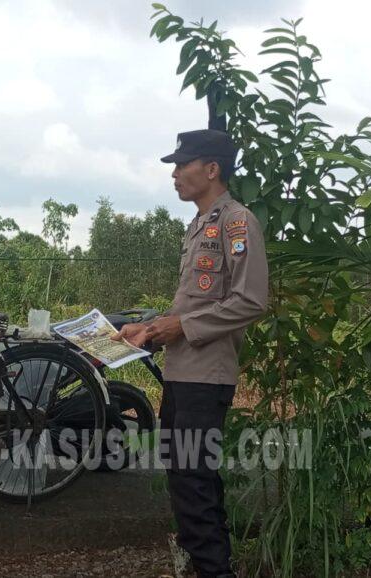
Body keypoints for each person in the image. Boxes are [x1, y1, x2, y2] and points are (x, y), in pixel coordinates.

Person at [112, 129, 268, 578]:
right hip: (183, 372)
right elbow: (194, 304)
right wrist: (151, 326)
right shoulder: (200, 223)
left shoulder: (237, 222)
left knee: (194, 483)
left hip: (207, 376)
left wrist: (180, 325)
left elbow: (251, 299)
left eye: (182, 165)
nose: (175, 175)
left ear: (212, 169)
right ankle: (208, 567)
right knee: (186, 479)